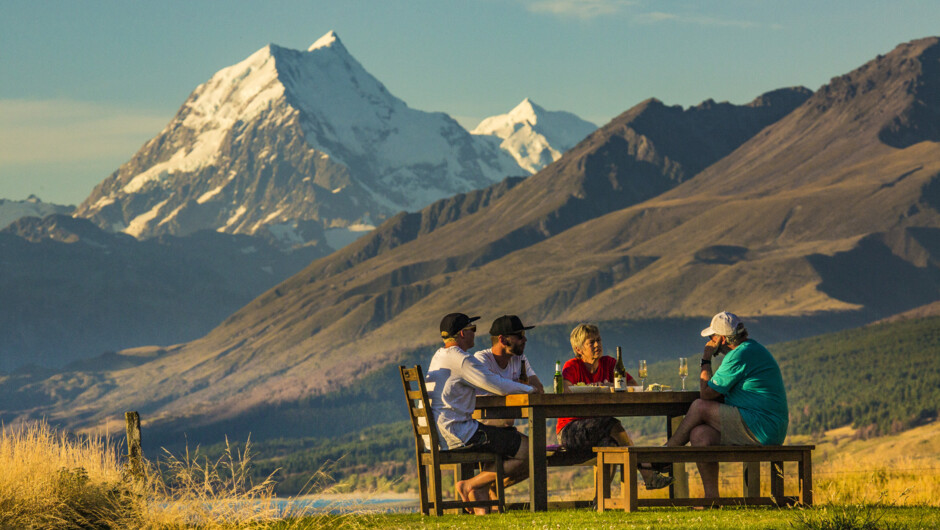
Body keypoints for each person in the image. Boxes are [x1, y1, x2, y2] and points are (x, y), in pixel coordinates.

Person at [664, 311, 789, 498]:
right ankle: (712, 499)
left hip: (762, 426)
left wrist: (706, 359)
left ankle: (665, 456)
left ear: (721, 339)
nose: (709, 342)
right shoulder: (750, 349)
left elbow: (706, 394)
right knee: (699, 435)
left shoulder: (739, 355)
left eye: (711, 337)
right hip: (764, 425)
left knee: (699, 407)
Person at [426, 312, 536, 515]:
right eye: (472, 329)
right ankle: (470, 485)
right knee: (530, 448)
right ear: (462, 333)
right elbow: (497, 385)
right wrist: (530, 390)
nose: (475, 334)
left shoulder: (439, 356)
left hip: (436, 435)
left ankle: (481, 500)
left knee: (500, 438)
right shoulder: (462, 360)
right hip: (458, 434)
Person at [556, 323, 674, 490]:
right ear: (578, 349)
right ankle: (647, 472)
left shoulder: (609, 363)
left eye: (598, 340)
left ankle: (600, 500)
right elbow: (565, 389)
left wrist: (612, 386)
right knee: (612, 424)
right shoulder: (572, 366)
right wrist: (594, 388)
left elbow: (633, 386)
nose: (597, 345)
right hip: (570, 430)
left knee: (611, 446)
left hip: (599, 428)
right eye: (591, 342)